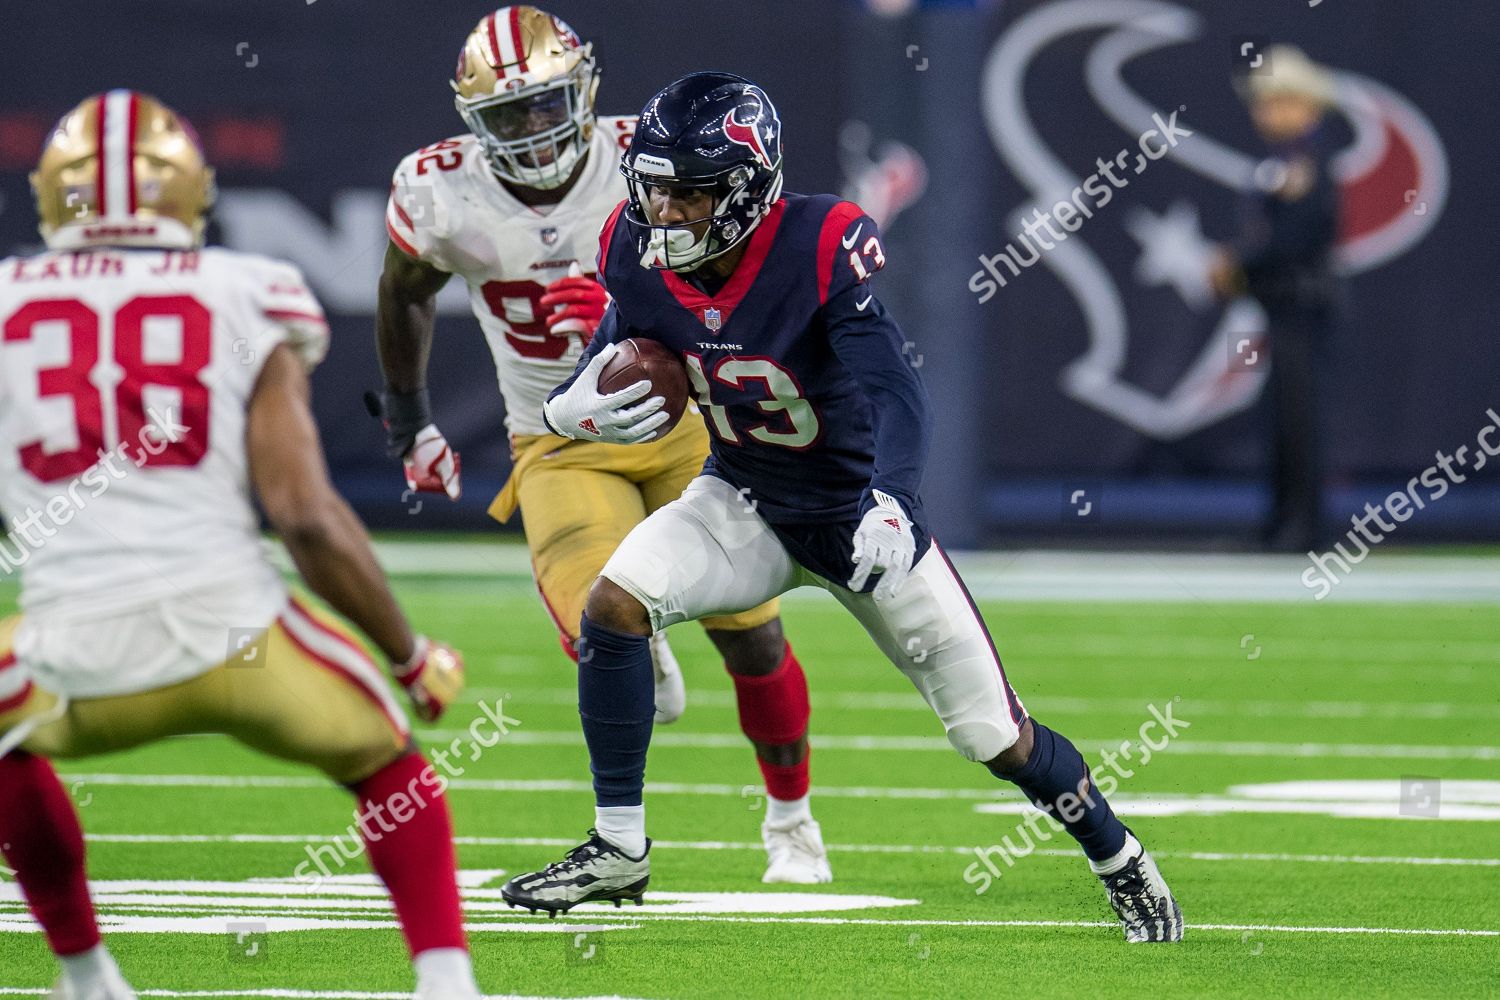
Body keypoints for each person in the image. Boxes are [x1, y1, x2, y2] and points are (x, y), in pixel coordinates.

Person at [499, 72, 1185, 943]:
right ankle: (619, 845)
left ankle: (1119, 857)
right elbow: (610, 350)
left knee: (994, 737)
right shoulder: (633, 249)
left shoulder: (818, 242)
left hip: (857, 515)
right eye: (653, 187)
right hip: (742, 496)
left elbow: (896, 390)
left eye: (686, 193)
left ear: (745, 190)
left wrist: (896, 503)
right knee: (615, 602)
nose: (661, 210)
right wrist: (566, 407)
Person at [0, 91, 477, 999]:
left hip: (74, 660)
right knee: (390, 761)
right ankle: (446, 981)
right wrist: (411, 657)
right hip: (243, 642)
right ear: (187, 191)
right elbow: (303, 514)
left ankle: (85, 974)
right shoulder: (244, 288)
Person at [376, 7, 830, 883]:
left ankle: (792, 821)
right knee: (601, 625)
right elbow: (403, 292)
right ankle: (629, 754)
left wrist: (625, 317)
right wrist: (410, 423)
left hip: (688, 423)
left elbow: (744, 277)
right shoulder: (440, 189)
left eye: (549, 106)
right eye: (511, 116)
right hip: (558, 437)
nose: (536, 131)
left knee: (752, 636)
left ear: (584, 91)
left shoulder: (655, 162)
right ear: (474, 123)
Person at [1211, 45, 1343, 553]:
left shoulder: (1308, 163)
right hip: (1284, 308)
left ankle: (1304, 528)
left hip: (1302, 308)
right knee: (1284, 418)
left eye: (1279, 102)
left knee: (1301, 420)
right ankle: (1284, 521)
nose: (1265, 113)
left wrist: (1240, 267)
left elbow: (1295, 239)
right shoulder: (1286, 160)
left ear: (1306, 105)